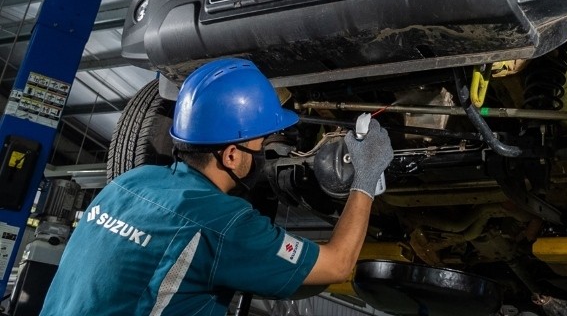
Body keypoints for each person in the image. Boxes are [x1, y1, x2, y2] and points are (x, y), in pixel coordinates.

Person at [41, 58, 394, 315]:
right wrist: (364, 180)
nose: (265, 154)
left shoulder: (130, 182)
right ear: (230, 156)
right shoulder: (224, 224)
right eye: (261, 147)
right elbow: (337, 266)